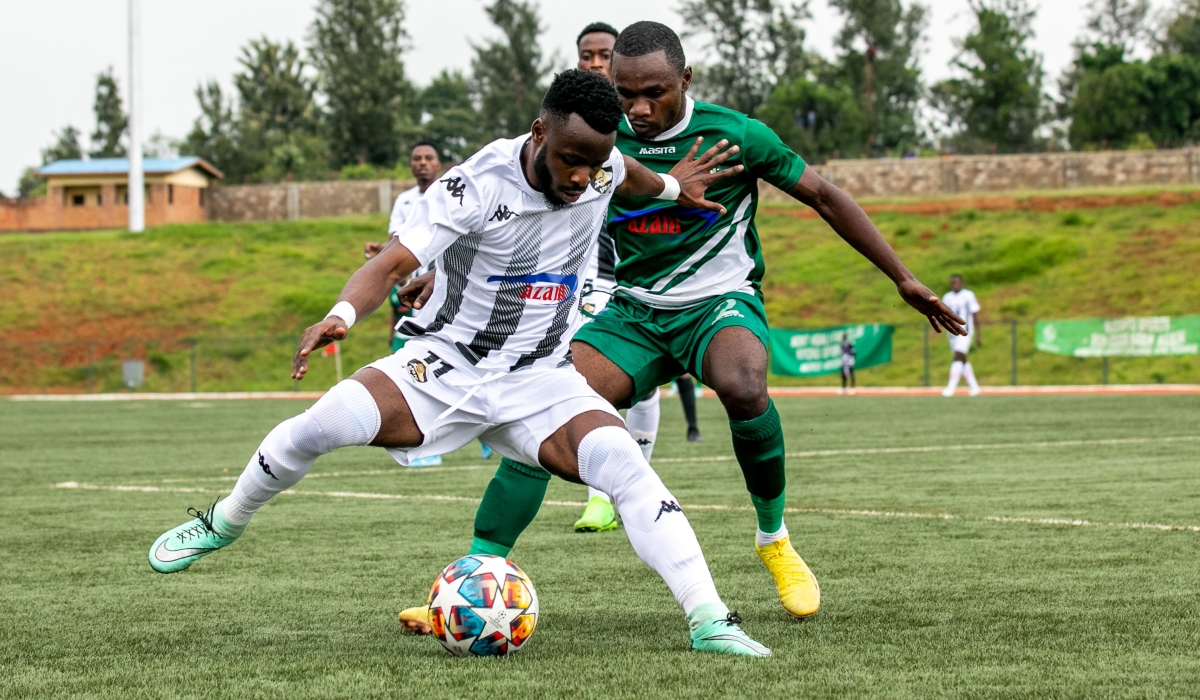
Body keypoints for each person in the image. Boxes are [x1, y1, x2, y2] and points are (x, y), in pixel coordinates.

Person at [147, 69, 772, 657]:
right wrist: (343, 313)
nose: (584, 178)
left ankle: (710, 620)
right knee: (319, 425)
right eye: (570, 161)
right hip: (445, 367)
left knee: (629, 470)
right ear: (539, 133)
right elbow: (393, 262)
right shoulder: (473, 184)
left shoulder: (601, 163)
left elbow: (628, 172)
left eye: (593, 163)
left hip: (542, 380)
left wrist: (673, 188)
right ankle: (226, 519)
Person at [396, 21, 966, 631]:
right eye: (625, 93)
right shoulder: (598, 143)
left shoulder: (734, 133)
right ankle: (475, 579)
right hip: (632, 310)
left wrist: (902, 277)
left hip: (718, 302)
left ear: (685, 81)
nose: (638, 108)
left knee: (745, 386)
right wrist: (442, 270)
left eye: (655, 92)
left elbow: (824, 195)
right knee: (543, 409)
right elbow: (515, 208)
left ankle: (773, 539)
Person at [366, 142, 450, 466]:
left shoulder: (452, 194)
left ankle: (465, 436)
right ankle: (425, 441)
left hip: (445, 288)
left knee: (443, 360)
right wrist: (379, 256)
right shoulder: (404, 201)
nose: (423, 163)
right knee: (408, 359)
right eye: (417, 158)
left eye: (429, 158)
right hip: (412, 291)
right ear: (411, 165)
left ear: (438, 164)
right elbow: (397, 243)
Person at [941, 274, 982, 397]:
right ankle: (974, 387)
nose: (955, 284)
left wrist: (979, 334)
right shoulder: (947, 297)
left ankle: (950, 388)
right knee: (962, 359)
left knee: (958, 356)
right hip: (952, 333)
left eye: (957, 282)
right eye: (952, 282)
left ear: (961, 283)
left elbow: (975, 315)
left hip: (965, 332)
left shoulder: (968, 295)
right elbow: (942, 314)